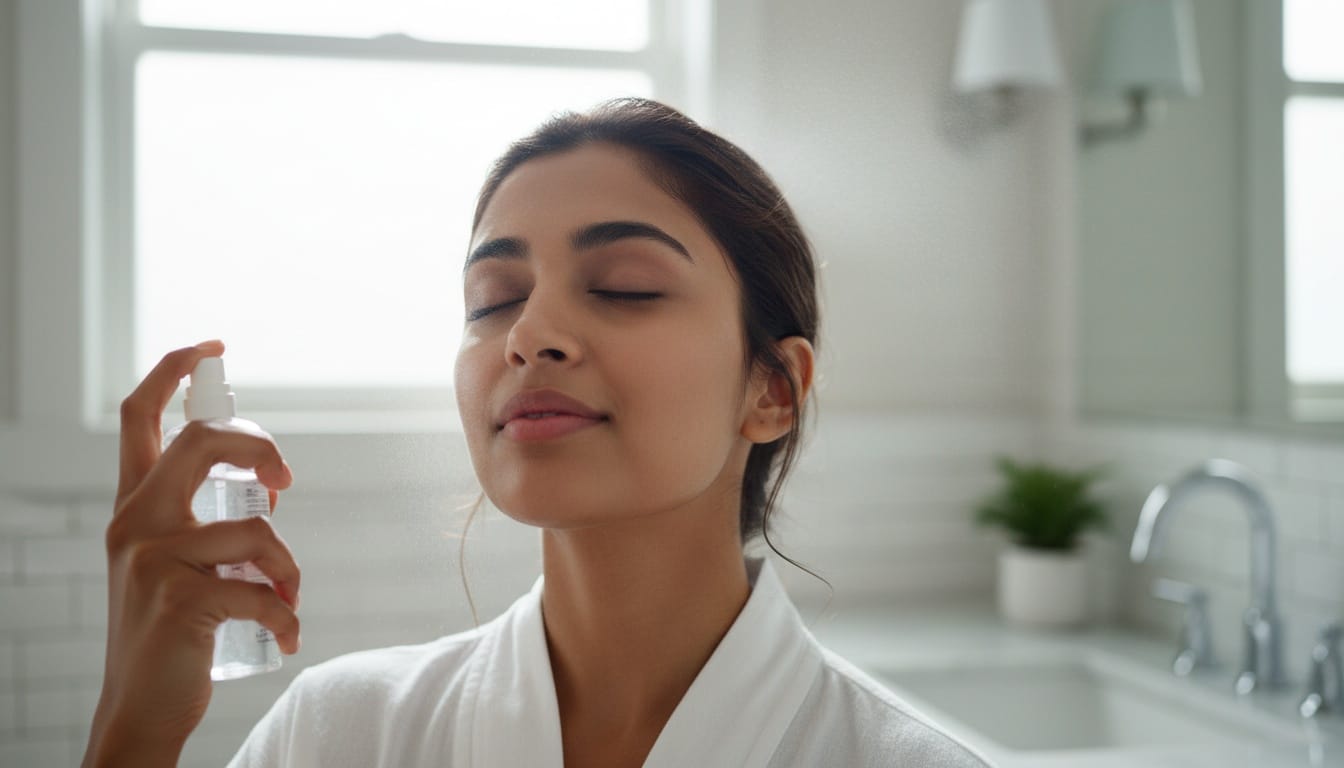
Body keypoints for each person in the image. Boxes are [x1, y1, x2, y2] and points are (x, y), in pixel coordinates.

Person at [83, 97, 993, 767]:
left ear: (773, 389)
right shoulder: (343, 733)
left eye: (626, 286)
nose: (528, 334)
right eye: (495, 300)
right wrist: (135, 728)